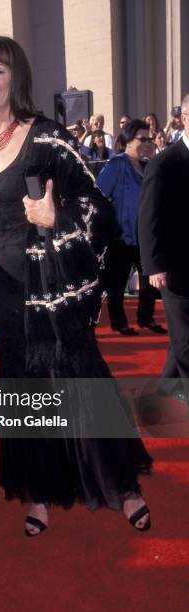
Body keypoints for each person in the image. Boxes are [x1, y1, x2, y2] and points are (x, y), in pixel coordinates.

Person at [0, 36, 152, 535]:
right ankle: (38, 492)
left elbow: (97, 206)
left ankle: (123, 486)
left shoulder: (46, 136)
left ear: (16, 78)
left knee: (80, 380)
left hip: (51, 289)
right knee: (25, 391)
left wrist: (55, 214)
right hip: (2, 296)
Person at [139, 93, 189, 404]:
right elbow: (148, 218)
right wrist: (152, 266)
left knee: (179, 339)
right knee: (186, 341)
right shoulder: (164, 162)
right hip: (174, 267)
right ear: (185, 118)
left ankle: (165, 392)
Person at [96, 119, 166, 336]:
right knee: (117, 283)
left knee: (149, 282)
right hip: (120, 235)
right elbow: (98, 194)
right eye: (142, 139)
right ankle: (119, 322)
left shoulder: (148, 166)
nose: (147, 143)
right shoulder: (117, 164)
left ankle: (146, 318)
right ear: (127, 140)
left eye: (150, 139)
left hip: (145, 236)